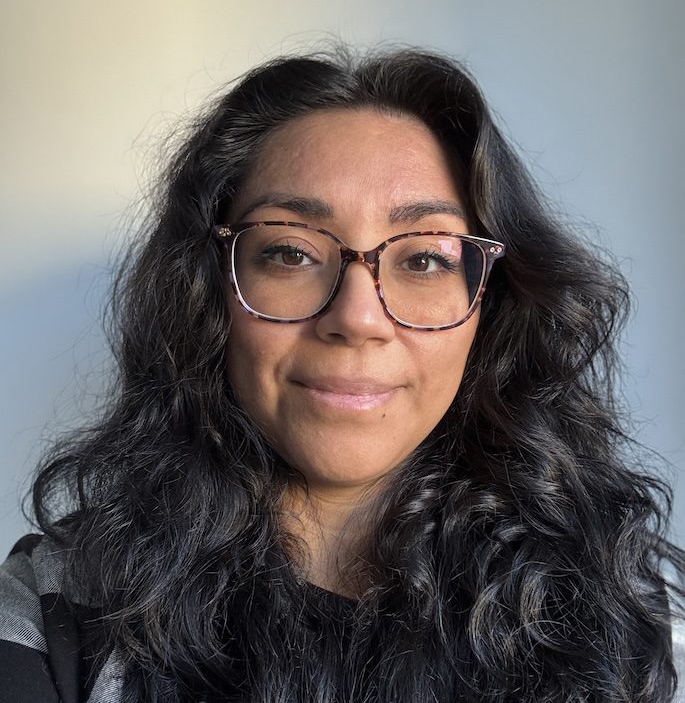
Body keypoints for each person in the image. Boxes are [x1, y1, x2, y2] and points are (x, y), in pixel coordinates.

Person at [0, 46, 683, 702]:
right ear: (207, 292)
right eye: (290, 252)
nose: (357, 318)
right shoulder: (50, 605)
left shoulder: (623, 620)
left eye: (424, 260)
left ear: (493, 308)